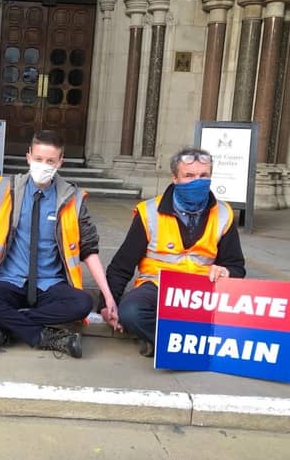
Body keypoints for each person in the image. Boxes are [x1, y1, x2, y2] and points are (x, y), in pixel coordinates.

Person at [0, 130, 118, 358]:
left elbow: (89, 249)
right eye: (38, 159)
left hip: (50, 284)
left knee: (82, 303)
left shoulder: (73, 198)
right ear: (28, 157)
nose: (43, 165)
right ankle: (45, 336)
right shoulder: (7, 189)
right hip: (10, 280)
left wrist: (108, 296)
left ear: (60, 162)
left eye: (50, 161)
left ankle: (7, 325)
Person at [102, 147, 246, 357]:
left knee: (251, 317)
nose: (198, 181)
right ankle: (187, 346)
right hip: (157, 284)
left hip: (202, 288)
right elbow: (122, 265)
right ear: (175, 178)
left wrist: (226, 272)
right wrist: (107, 304)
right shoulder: (149, 211)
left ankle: (163, 343)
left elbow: (236, 266)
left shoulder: (224, 213)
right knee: (131, 313)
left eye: (203, 176)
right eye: (189, 176)